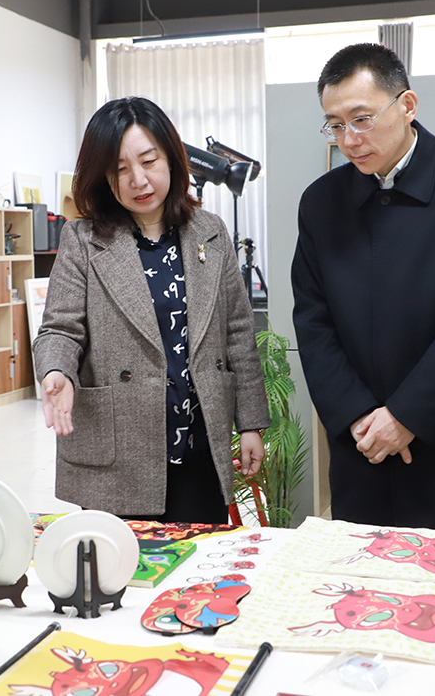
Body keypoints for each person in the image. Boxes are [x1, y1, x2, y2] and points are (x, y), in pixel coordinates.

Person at [291, 43, 435, 537]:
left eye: (362, 119)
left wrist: (406, 415)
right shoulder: (321, 203)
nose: (350, 140)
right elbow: (313, 322)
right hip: (365, 451)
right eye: (335, 125)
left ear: (407, 105)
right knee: (361, 578)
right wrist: (359, 416)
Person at [33, 97, 270, 524]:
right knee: (123, 562)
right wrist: (56, 371)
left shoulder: (210, 232)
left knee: (201, 561)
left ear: (172, 159)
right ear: (102, 176)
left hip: (199, 441)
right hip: (119, 448)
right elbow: (60, 329)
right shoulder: (82, 239)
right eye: (120, 169)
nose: (138, 180)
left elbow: (237, 333)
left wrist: (250, 423)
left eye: (148, 161)